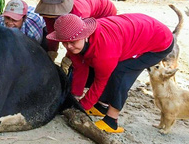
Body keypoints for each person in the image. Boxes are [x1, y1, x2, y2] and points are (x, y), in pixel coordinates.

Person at [46, 13, 174, 133]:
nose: (69, 46)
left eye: (72, 42)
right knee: (112, 68)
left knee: (121, 72)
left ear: (85, 36)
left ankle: (112, 121)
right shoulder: (76, 44)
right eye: (64, 43)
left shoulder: (104, 52)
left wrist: (83, 106)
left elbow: (101, 81)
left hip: (159, 41)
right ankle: (101, 107)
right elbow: (80, 68)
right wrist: (75, 97)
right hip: (136, 31)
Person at [34, 0, 117, 61]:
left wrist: (68, 58)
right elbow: (52, 31)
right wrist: (51, 52)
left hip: (104, 13)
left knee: (92, 48)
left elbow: (76, 40)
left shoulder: (79, 11)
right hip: (86, 5)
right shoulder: (47, 11)